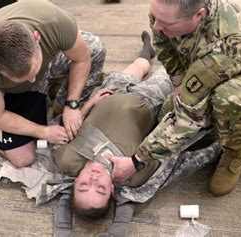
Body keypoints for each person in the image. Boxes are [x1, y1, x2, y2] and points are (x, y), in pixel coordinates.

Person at [108, 0, 241, 196]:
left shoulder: (231, 40)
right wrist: (181, 81)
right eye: (154, 17)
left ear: (198, 15)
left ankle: (234, 153)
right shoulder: (165, 12)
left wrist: (138, 160)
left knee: (227, 97)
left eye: (165, 23)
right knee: (170, 110)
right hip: (220, 61)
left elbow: (189, 114)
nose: (156, 26)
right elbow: (165, 47)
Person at [0, 1, 106, 168]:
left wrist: (72, 104)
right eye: (23, 78)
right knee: (23, 159)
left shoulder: (52, 20)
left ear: (37, 38)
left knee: (95, 48)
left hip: (48, 55)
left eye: (33, 72)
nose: (33, 80)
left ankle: (59, 105)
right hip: (9, 92)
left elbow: (82, 58)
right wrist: (43, 132)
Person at [52, 31, 175, 220]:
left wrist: (89, 104)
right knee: (172, 69)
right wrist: (136, 161)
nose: (93, 179)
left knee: (138, 66)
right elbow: (165, 149)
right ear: (111, 189)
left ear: (75, 182)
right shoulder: (131, 176)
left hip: (109, 93)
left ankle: (146, 50)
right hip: (147, 102)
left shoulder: (66, 161)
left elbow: (66, 128)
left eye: (84, 186)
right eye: (100, 189)